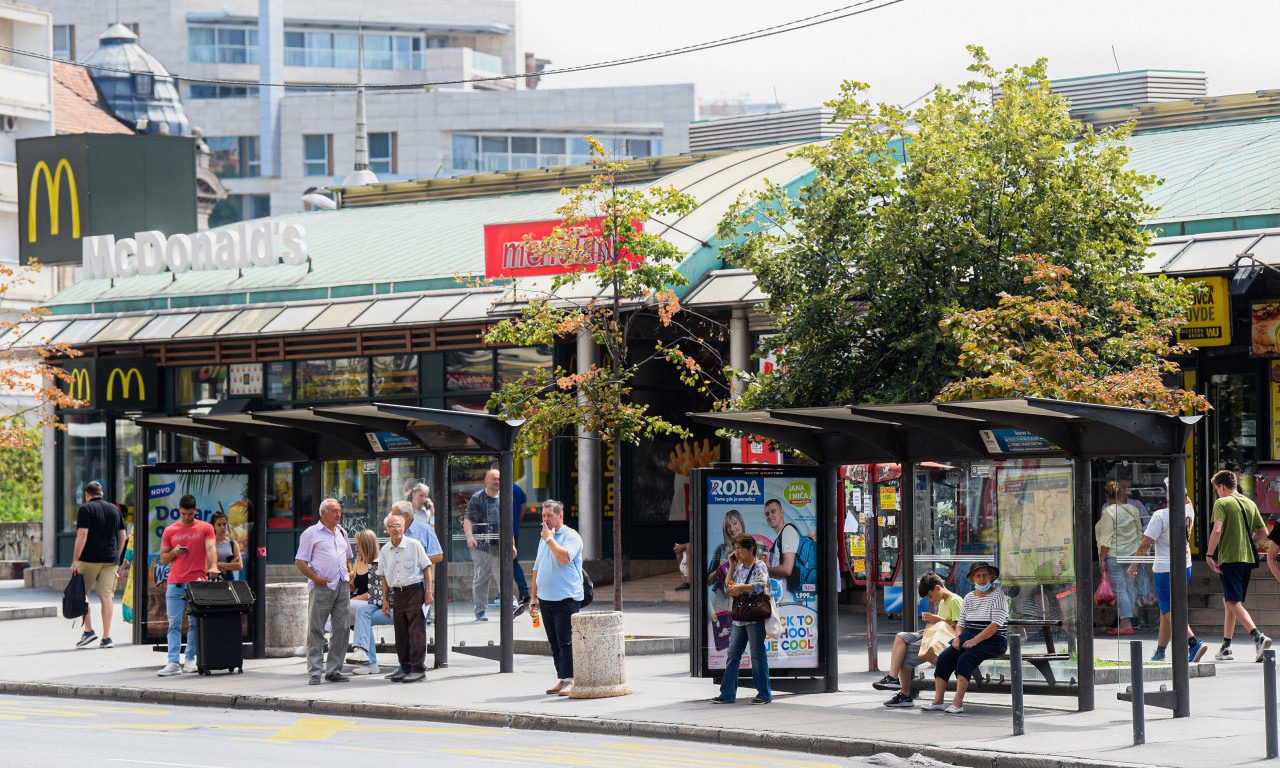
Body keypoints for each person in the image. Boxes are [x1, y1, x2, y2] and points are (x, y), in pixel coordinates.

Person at [1128, 484, 1207, 663]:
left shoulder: (1160, 516)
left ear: (1168, 496)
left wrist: (1133, 565)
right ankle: (1160, 650)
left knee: (1170, 609)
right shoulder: (1189, 510)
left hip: (1164, 569)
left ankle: (1193, 643)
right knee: (1167, 609)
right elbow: (1188, 499)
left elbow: (1145, 544)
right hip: (1185, 566)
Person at [924, 562, 1008, 714]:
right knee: (944, 657)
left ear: (990, 577)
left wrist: (975, 640)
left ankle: (957, 703)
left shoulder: (998, 596)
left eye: (985, 575)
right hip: (969, 636)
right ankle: (938, 701)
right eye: (978, 575)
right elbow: (961, 623)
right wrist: (957, 638)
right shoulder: (969, 598)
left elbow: (995, 625)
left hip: (994, 639)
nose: (982, 579)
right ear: (972, 579)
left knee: (965, 658)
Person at [1207, 469, 1272, 661]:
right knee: (1230, 601)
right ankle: (1226, 647)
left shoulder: (1222, 502)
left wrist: (1210, 555)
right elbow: (1262, 533)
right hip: (1247, 560)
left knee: (1232, 602)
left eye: (1217, 489)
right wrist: (1246, 540)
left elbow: (1217, 530)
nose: (1217, 493)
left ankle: (1258, 637)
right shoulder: (1249, 503)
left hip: (1230, 558)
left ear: (1221, 486)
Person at [876, 571, 962, 707]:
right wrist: (930, 627)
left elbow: (959, 628)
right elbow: (943, 625)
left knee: (904, 655)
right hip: (937, 636)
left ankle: (905, 695)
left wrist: (937, 619)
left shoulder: (955, 600)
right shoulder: (943, 602)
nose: (931, 599)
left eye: (930, 595)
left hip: (946, 643)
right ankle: (893, 678)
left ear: (938, 588)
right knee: (900, 636)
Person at [156, 494, 218, 676]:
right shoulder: (170, 531)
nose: (187, 517)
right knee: (174, 624)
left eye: (190, 514)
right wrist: (175, 551)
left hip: (196, 583)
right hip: (175, 582)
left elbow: (211, 548)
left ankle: (190, 658)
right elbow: (163, 558)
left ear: (195, 511)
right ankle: (173, 662)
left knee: (194, 623)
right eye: (183, 514)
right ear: (179, 511)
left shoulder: (206, 528)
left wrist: (213, 565)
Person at [295, 498, 354, 685]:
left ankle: (334, 670)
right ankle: (315, 672)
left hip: (342, 585)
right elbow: (300, 561)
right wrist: (315, 578)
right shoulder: (310, 534)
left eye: (339, 511)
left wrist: (350, 572)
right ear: (323, 513)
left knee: (342, 629)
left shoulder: (342, 532)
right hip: (321, 586)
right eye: (334, 511)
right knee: (316, 629)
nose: (338, 514)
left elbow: (348, 557)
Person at [709, 532, 771, 705]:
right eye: (734, 549)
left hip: (754, 617)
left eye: (739, 549)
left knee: (757, 656)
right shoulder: (738, 568)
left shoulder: (759, 565)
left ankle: (764, 694)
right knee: (732, 655)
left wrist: (740, 588)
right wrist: (731, 565)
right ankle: (727, 694)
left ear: (751, 549)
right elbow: (729, 589)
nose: (736, 553)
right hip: (739, 618)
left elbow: (760, 585)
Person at [530, 499, 584, 696]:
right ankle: (562, 679)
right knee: (553, 641)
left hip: (566, 597)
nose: (545, 519)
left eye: (549, 515)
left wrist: (550, 539)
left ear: (560, 516)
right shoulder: (544, 538)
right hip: (546, 598)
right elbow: (537, 568)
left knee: (565, 640)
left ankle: (571, 679)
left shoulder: (570, 536)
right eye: (543, 516)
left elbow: (565, 558)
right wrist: (533, 597)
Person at [70, 481, 127, 649]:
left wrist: (75, 559)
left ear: (87, 495)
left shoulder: (85, 509)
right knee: (107, 596)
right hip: (111, 559)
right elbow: (123, 536)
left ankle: (88, 631)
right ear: (101, 494)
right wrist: (117, 554)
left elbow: (82, 534)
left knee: (80, 593)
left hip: (89, 558)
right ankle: (107, 637)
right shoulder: (115, 510)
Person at [380, 512, 433, 683]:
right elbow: (383, 577)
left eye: (399, 526)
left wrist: (428, 593)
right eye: (392, 526)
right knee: (400, 633)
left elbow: (427, 568)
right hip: (398, 593)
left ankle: (419, 669)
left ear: (404, 528)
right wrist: (385, 600)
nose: (396, 529)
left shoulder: (414, 544)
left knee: (416, 631)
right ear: (386, 529)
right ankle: (406, 667)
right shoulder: (385, 550)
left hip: (415, 591)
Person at [464, 468, 517, 621]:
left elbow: (508, 524)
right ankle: (480, 611)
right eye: (494, 478)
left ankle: (512, 606)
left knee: (504, 576)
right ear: (486, 480)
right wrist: (469, 537)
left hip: (500, 546)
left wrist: (512, 544)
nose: (497, 481)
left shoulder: (505, 498)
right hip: (481, 546)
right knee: (481, 578)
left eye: (499, 478)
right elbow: (468, 520)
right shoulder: (477, 498)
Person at [1095, 480, 1143, 635]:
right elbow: (1139, 533)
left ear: (1107, 495)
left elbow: (1106, 539)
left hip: (1114, 556)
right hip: (1131, 555)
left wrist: (1102, 559)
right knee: (1129, 588)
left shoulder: (1109, 512)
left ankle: (1125, 623)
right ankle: (1127, 621)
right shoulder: (1132, 509)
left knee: (1120, 591)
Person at [706, 510, 746, 650]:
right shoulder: (721, 549)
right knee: (722, 643)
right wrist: (719, 569)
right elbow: (708, 581)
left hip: (741, 599)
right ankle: (724, 669)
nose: (732, 528)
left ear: (741, 523)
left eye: (734, 523)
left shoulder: (751, 547)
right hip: (721, 599)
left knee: (741, 642)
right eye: (728, 526)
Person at [763, 498, 798, 581]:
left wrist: (763, 569)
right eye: (767, 514)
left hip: (789, 593)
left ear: (782, 513)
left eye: (773, 512)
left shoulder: (788, 531)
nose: (770, 516)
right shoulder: (780, 536)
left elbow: (787, 570)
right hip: (780, 591)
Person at [210, 511, 243, 582]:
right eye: (219, 525)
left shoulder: (233, 543)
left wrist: (219, 564)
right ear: (213, 526)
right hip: (213, 581)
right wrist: (230, 565)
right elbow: (208, 566)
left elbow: (239, 566)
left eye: (224, 524)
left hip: (229, 580)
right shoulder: (209, 544)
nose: (222, 527)